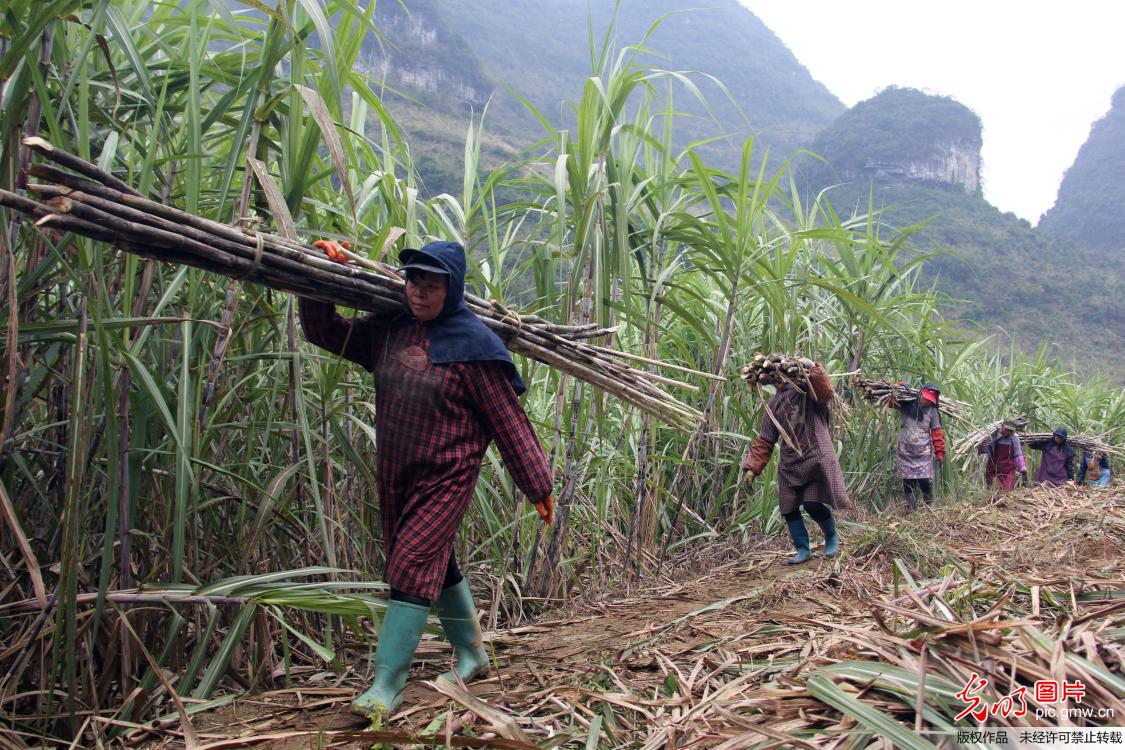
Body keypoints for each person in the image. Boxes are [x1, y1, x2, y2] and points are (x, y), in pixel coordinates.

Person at [299, 239, 555, 721]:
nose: (419, 292)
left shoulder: (474, 349)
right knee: (433, 560)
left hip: (446, 477)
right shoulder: (390, 329)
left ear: (452, 288)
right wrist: (316, 278)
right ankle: (473, 653)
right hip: (396, 472)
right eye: (414, 280)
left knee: (413, 562)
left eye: (432, 284)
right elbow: (326, 333)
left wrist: (537, 485)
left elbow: (508, 421)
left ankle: (384, 684)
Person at [741, 361, 852, 564]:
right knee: (788, 506)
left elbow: (825, 391)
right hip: (791, 462)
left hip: (815, 456)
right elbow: (766, 439)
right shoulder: (773, 406)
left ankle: (831, 536)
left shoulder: (808, 393)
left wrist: (812, 368)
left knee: (811, 503)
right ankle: (802, 549)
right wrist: (752, 468)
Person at [888, 383, 946, 512]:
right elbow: (890, 403)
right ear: (920, 394)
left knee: (925, 481)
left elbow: (937, 433)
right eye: (924, 397)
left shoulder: (933, 411)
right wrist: (898, 387)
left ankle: (928, 509)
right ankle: (911, 510)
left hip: (923, 453)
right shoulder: (906, 404)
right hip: (905, 452)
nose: (925, 401)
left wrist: (940, 453)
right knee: (908, 482)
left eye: (929, 400)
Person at [977, 419, 1027, 490]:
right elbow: (988, 450)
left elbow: (1018, 454)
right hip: (994, 468)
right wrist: (981, 447)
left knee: (1007, 490)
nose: (1007, 432)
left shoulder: (1014, 438)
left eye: (1010, 431)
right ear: (1002, 426)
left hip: (1008, 468)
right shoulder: (995, 435)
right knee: (993, 490)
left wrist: (1022, 467)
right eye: (1006, 429)